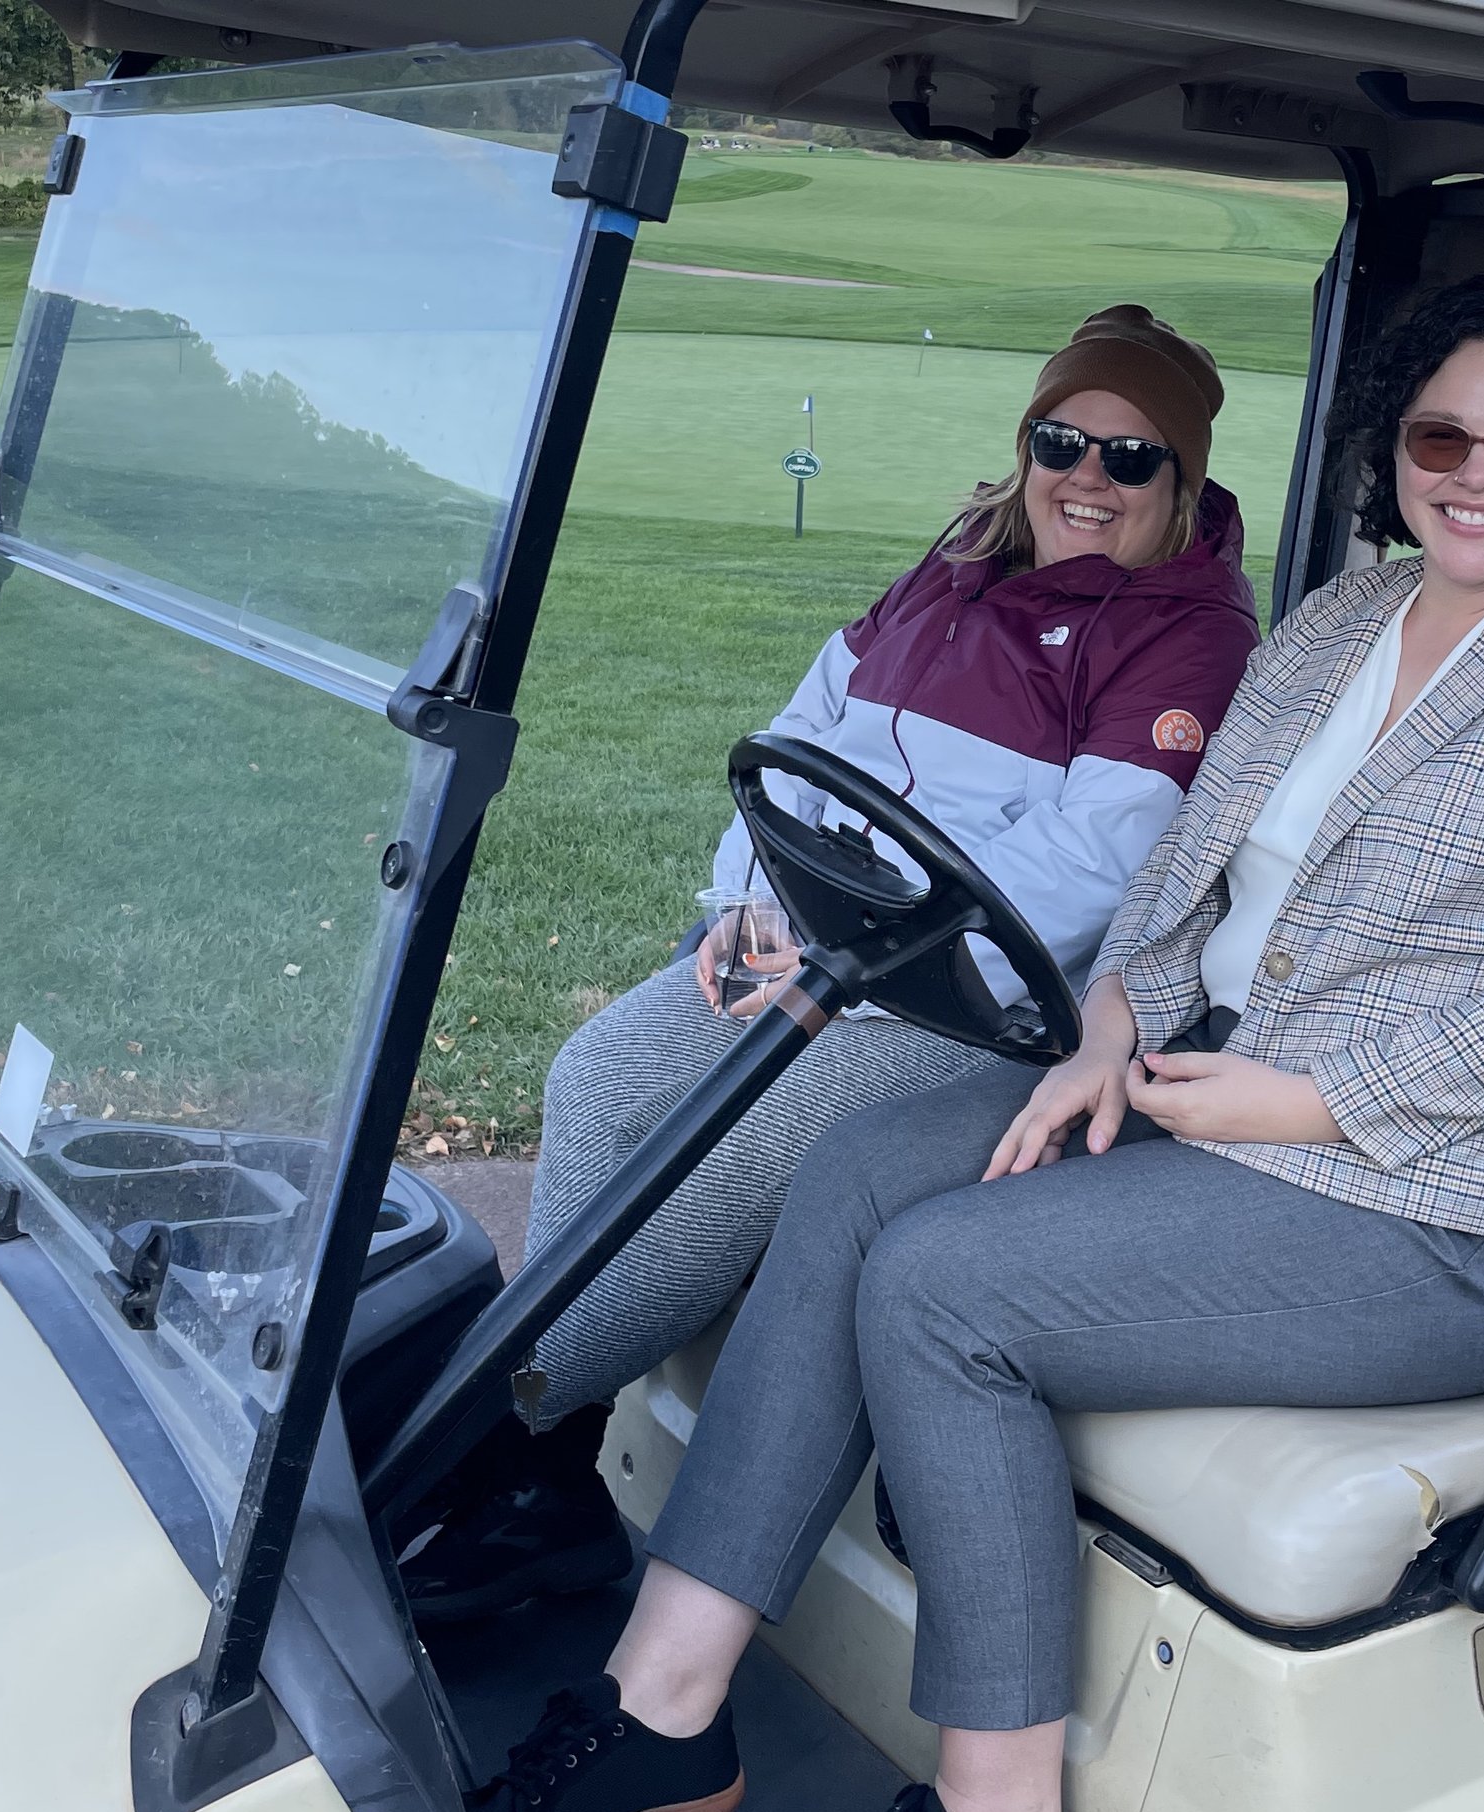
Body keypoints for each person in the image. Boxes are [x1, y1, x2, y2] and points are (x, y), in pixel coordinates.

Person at [459, 274, 1484, 1812]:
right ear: (1396, 452)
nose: (1478, 472)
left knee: (938, 1286)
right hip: (1215, 1097)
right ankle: (659, 1709)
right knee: (851, 1179)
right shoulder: (1339, 628)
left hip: (1448, 1208)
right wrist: (1115, 1025)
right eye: (1443, 434)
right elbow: (1175, 879)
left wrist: (1314, 1095)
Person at [399, 306, 1260, 1620]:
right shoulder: (960, 557)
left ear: (1181, 479)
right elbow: (813, 726)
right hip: (824, 937)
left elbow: (1096, 859)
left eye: (1132, 458)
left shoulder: (1186, 632)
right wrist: (748, 894)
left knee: (734, 1146)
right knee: (600, 1073)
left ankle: (462, 1442)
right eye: (1062, 440)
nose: (1088, 478)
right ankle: (548, 1482)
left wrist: (864, 928)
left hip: (972, 996)